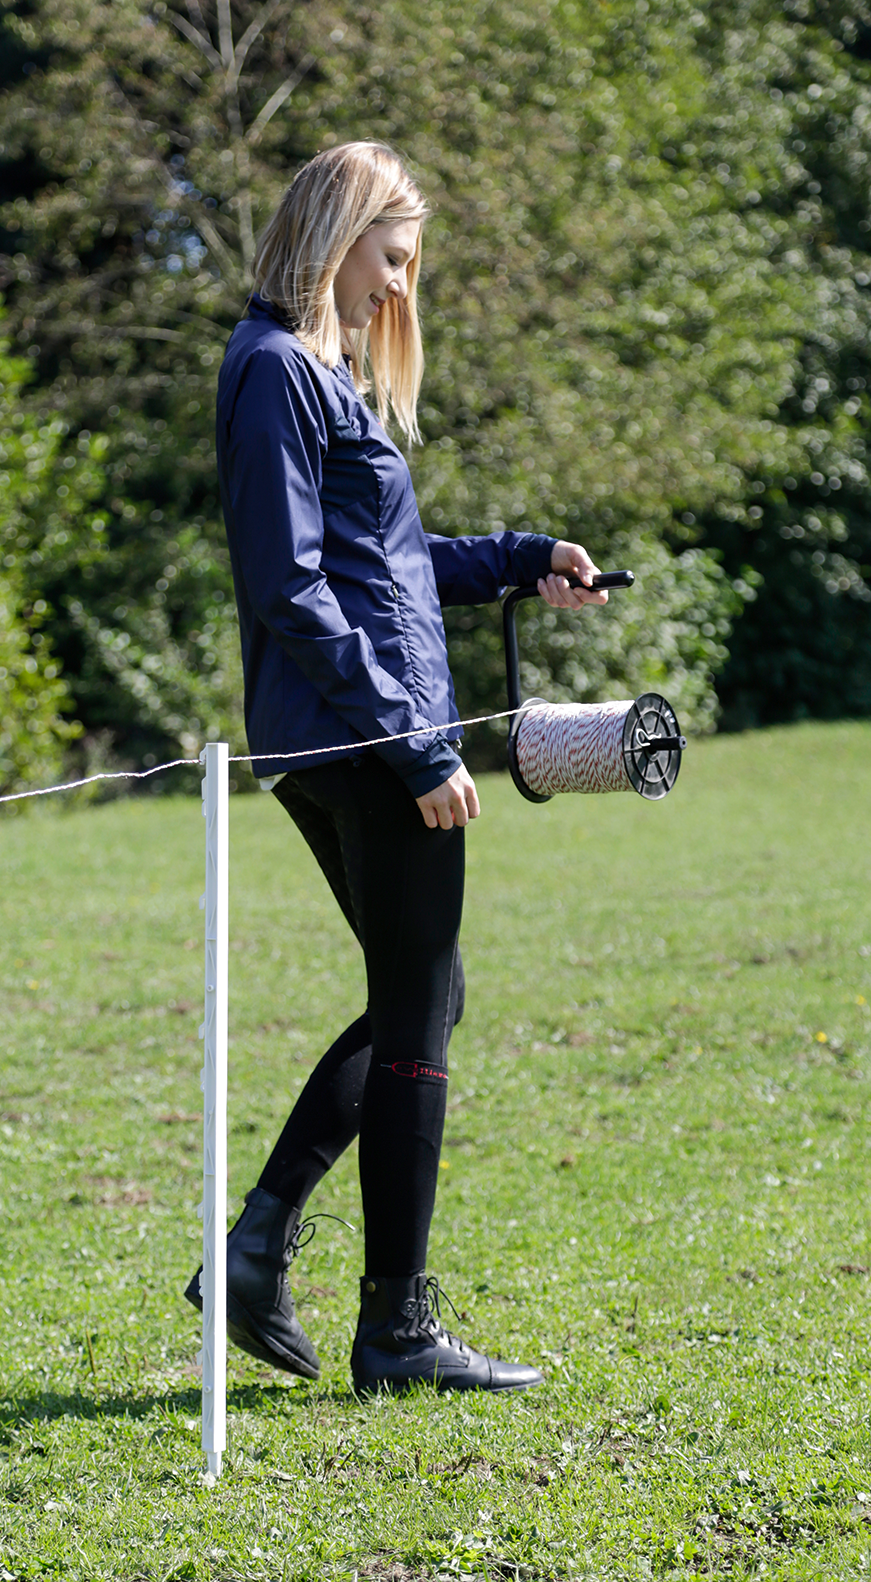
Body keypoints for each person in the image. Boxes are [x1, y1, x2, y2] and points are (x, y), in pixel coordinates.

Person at [186, 141, 609, 1396]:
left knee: (423, 993)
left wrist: (521, 558)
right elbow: (289, 585)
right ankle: (391, 1326)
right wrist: (414, 742)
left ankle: (261, 1249)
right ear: (335, 234)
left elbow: (387, 561)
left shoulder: (313, 374)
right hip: (364, 738)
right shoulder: (273, 367)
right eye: (389, 255)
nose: (397, 285)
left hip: (351, 730)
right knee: (420, 1002)